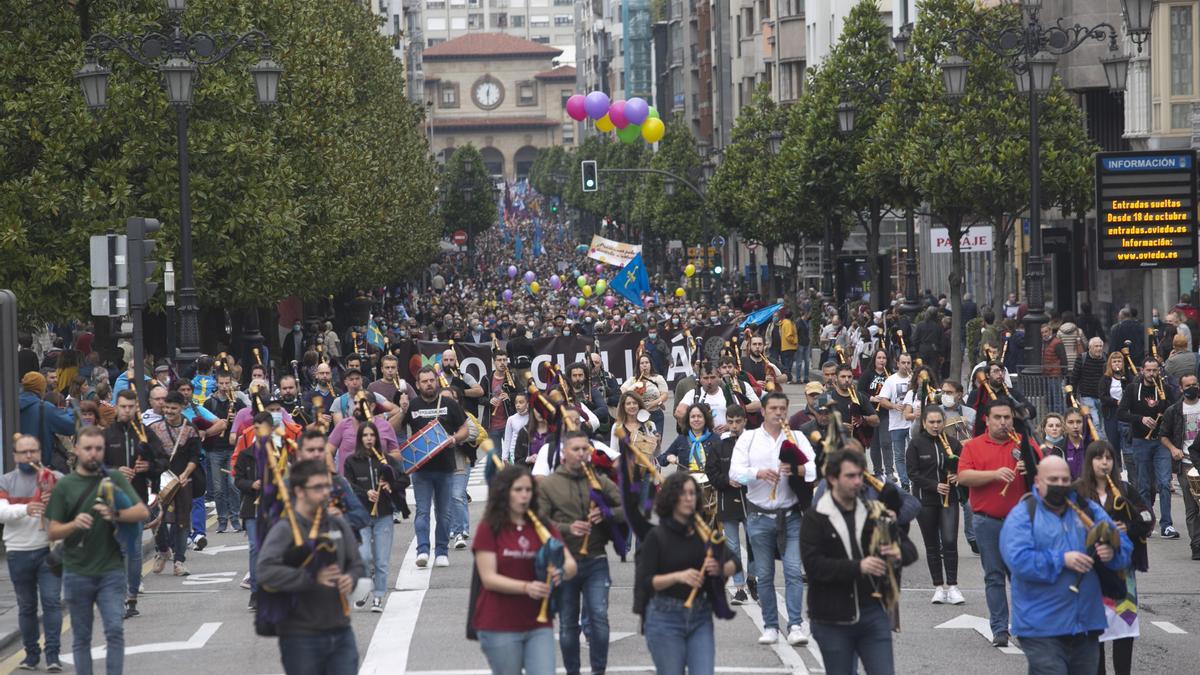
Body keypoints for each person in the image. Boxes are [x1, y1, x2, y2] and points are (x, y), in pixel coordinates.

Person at [1000, 455, 1131, 675]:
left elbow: (1123, 546)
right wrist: (1062, 559)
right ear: (1037, 482)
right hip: (1040, 627)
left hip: (1085, 624)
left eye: (1064, 479)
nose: (1060, 485)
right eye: (1053, 480)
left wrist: (1112, 553)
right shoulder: (1023, 515)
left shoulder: (1087, 509)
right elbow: (1018, 560)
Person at [800, 449, 916, 675]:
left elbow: (909, 550)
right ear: (833, 479)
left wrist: (897, 552)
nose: (857, 481)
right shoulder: (816, 517)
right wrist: (858, 567)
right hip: (832, 617)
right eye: (850, 476)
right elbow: (813, 565)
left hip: (873, 612)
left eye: (860, 475)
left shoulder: (874, 511)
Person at [46, 426, 149, 675]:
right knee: (81, 637)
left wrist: (116, 513)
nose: (93, 454)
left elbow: (143, 512)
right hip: (76, 572)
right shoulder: (65, 485)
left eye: (98, 449)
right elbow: (52, 531)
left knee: (114, 630)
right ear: (77, 450)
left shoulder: (114, 478)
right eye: (88, 449)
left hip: (111, 571)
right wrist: (74, 524)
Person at [257, 459, 365, 675]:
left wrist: (351, 579)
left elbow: (356, 564)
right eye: (317, 488)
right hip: (300, 636)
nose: (325, 493)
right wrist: (310, 576)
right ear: (299, 490)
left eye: (326, 486)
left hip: (341, 630)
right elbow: (264, 570)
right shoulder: (286, 529)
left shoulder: (337, 523)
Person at [472, 465, 577, 675]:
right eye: (518, 490)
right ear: (505, 493)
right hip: (499, 623)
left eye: (528, 490)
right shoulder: (489, 527)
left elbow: (570, 563)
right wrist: (526, 587)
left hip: (538, 622)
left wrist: (561, 572)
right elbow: (489, 578)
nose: (524, 495)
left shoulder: (542, 525)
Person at [730, 392, 816, 646]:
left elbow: (816, 467)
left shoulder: (796, 437)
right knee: (765, 575)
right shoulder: (749, 438)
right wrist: (758, 473)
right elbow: (735, 472)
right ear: (764, 411)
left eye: (782, 408)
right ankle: (770, 626)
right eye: (773, 408)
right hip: (758, 515)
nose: (778, 413)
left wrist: (798, 469)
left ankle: (796, 625)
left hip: (790, 515)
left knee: (791, 570)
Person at [635, 471, 741, 674]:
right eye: (682, 494)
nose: (689, 498)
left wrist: (720, 568)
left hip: (700, 615)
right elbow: (646, 581)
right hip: (665, 617)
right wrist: (678, 577)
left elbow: (735, 562)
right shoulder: (656, 536)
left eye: (692, 493)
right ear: (670, 498)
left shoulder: (703, 533)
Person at [538, 431, 624, 675]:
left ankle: (599, 670)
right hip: (564, 561)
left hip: (595, 559)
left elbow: (627, 508)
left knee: (599, 619)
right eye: (575, 449)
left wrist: (606, 513)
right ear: (564, 453)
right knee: (567, 625)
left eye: (585, 449)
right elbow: (539, 522)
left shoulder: (598, 479)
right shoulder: (551, 484)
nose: (581, 453)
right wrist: (567, 528)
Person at [957, 400, 1031, 648]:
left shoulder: (1023, 442)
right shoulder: (974, 446)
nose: (1003, 422)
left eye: (1007, 417)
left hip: (1020, 523)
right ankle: (999, 629)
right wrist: (994, 474)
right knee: (994, 577)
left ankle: (1023, 627)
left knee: (1021, 577)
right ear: (986, 420)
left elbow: (1046, 471)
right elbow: (964, 476)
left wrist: (1029, 467)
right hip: (987, 522)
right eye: (997, 418)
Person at [1076, 441, 1153, 675]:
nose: (1104, 463)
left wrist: (1127, 528)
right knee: (1094, 636)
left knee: (1124, 633)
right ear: (1090, 462)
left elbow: (1148, 517)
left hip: (1122, 573)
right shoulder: (1078, 490)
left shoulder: (1125, 489)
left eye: (1109, 458)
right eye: (1099, 458)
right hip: (1091, 571)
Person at [0, 435, 64, 671]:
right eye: (23, 452)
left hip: (49, 549)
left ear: (40, 452)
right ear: (15, 456)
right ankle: (31, 654)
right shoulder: (6, 481)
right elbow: (1, 512)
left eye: (33, 451)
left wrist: (54, 501)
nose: (29, 456)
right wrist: (26, 509)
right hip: (19, 551)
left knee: (52, 603)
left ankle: (53, 654)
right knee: (26, 606)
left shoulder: (55, 478)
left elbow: (71, 508)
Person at [102, 389, 166, 618]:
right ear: (116, 407)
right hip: (111, 500)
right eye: (123, 406)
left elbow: (162, 459)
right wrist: (114, 471)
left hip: (137, 499)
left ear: (136, 407)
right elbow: (94, 467)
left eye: (131, 406)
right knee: (115, 549)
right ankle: (118, 596)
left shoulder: (145, 434)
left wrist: (148, 467)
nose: (127, 410)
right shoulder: (107, 435)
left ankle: (131, 596)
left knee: (134, 550)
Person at [402, 366, 469, 568]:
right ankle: (422, 550)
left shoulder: (449, 403)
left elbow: (465, 428)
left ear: (436, 381)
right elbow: (395, 428)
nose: (429, 384)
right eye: (424, 381)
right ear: (418, 384)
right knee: (422, 511)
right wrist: (401, 409)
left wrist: (454, 439)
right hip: (421, 470)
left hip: (446, 468)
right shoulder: (413, 405)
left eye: (432, 380)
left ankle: (441, 551)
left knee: (444, 513)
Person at [905, 405, 965, 605]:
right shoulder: (915, 444)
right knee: (931, 545)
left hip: (950, 500)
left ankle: (953, 586)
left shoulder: (954, 443)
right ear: (924, 423)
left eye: (939, 421)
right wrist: (933, 485)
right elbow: (912, 474)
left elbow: (964, 467)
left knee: (949, 541)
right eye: (931, 422)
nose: (935, 425)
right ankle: (938, 587)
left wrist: (958, 476)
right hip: (925, 500)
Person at [341, 422, 403, 612]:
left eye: (372, 435)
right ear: (360, 439)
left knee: (382, 561)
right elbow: (348, 485)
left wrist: (390, 486)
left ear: (377, 438)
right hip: (361, 516)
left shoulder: (386, 460)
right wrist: (365, 493)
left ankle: (378, 597)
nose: (369, 438)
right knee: (364, 556)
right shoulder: (351, 461)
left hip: (383, 515)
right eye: (365, 435)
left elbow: (403, 478)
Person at [1117, 357, 1179, 539]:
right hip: (1140, 441)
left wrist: (1164, 406)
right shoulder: (1132, 389)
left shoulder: (1165, 389)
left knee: (1164, 484)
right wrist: (1141, 419)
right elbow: (1121, 412)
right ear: (1142, 370)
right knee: (1143, 486)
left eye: (1155, 370)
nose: (1152, 374)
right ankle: (1148, 522)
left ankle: (1166, 525)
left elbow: (1175, 409)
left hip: (1161, 441)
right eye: (1149, 370)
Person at [148, 391, 203, 576]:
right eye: (167, 407)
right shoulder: (154, 429)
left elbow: (195, 456)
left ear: (182, 408)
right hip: (159, 480)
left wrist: (186, 473)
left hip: (183, 480)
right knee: (157, 518)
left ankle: (179, 561)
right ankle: (162, 550)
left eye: (174, 408)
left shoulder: (190, 430)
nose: (169, 411)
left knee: (182, 521)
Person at [704, 405, 754, 604]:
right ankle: (739, 587)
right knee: (732, 546)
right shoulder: (719, 445)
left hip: (751, 499)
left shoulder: (753, 442)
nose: (734, 426)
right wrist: (726, 481)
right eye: (730, 422)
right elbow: (711, 471)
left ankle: (753, 579)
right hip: (727, 499)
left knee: (755, 541)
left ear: (744, 421)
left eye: (738, 421)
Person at [1156, 373, 1200, 559]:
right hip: (1186, 464)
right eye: (1188, 385)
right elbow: (1163, 435)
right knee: (1191, 507)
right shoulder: (1174, 410)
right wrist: (1173, 448)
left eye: (1195, 384)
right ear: (1181, 389)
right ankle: (1196, 545)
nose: (1192, 387)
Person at [18, 372, 75, 470]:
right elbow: (70, 426)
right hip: (39, 468)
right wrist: (70, 409)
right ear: (41, 388)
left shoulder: (10, 405)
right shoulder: (45, 408)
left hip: (15, 467)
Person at [872, 352, 912, 489]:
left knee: (913, 454)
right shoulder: (891, 380)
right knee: (899, 456)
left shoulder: (914, 379)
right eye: (903, 362)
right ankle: (905, 482)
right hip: (896, 424)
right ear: (898, 364)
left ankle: (913, 479)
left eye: (908, 363)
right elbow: (882, 400)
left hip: (913, 423)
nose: (906, 365)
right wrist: (894, 405)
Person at [661, 404, 719, 471]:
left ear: (705, 418)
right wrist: (668, 457)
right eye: (693, 417)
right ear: (688, 419)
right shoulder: (681, 439)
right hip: (686, 480)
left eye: (699, 416)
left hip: (710, 480)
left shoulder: (715, 439)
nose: (696, 419)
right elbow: (661, 459)